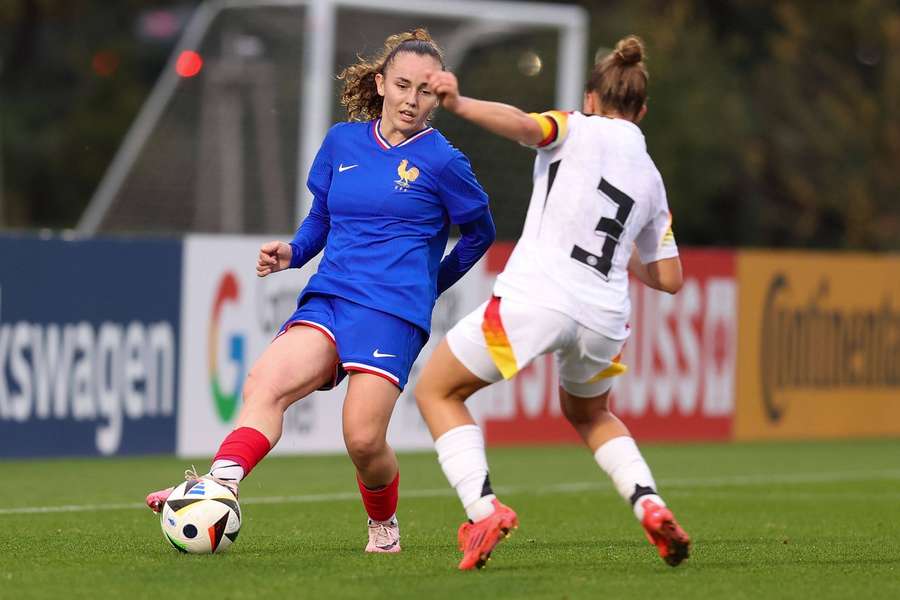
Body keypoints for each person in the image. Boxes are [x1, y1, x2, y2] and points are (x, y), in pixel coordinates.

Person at [146, 29, 495, 554]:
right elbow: (322, 219)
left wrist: (428, 287)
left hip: (392, 314)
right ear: (380, 84)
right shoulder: (342, 143)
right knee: (266, 383)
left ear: (438, 97)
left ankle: (384, 525)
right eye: (401, 85)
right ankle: (217, 487)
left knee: (361, 439)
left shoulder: (445, 162)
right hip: (330, 296)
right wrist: (293, 251)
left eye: (425, 91)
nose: (410, 99)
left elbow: (480, 234)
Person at [417, 35, 690, 570]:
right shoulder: (651, 178)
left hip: (534, 302)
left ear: (591, 97)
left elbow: (523, 125)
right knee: (590, 413)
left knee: (437, 391)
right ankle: (649, 502)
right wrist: (619, 257)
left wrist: (459, 103)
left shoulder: (572, 125)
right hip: (604, 320)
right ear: (642, 111)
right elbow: (671, 278)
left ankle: (483, 510)